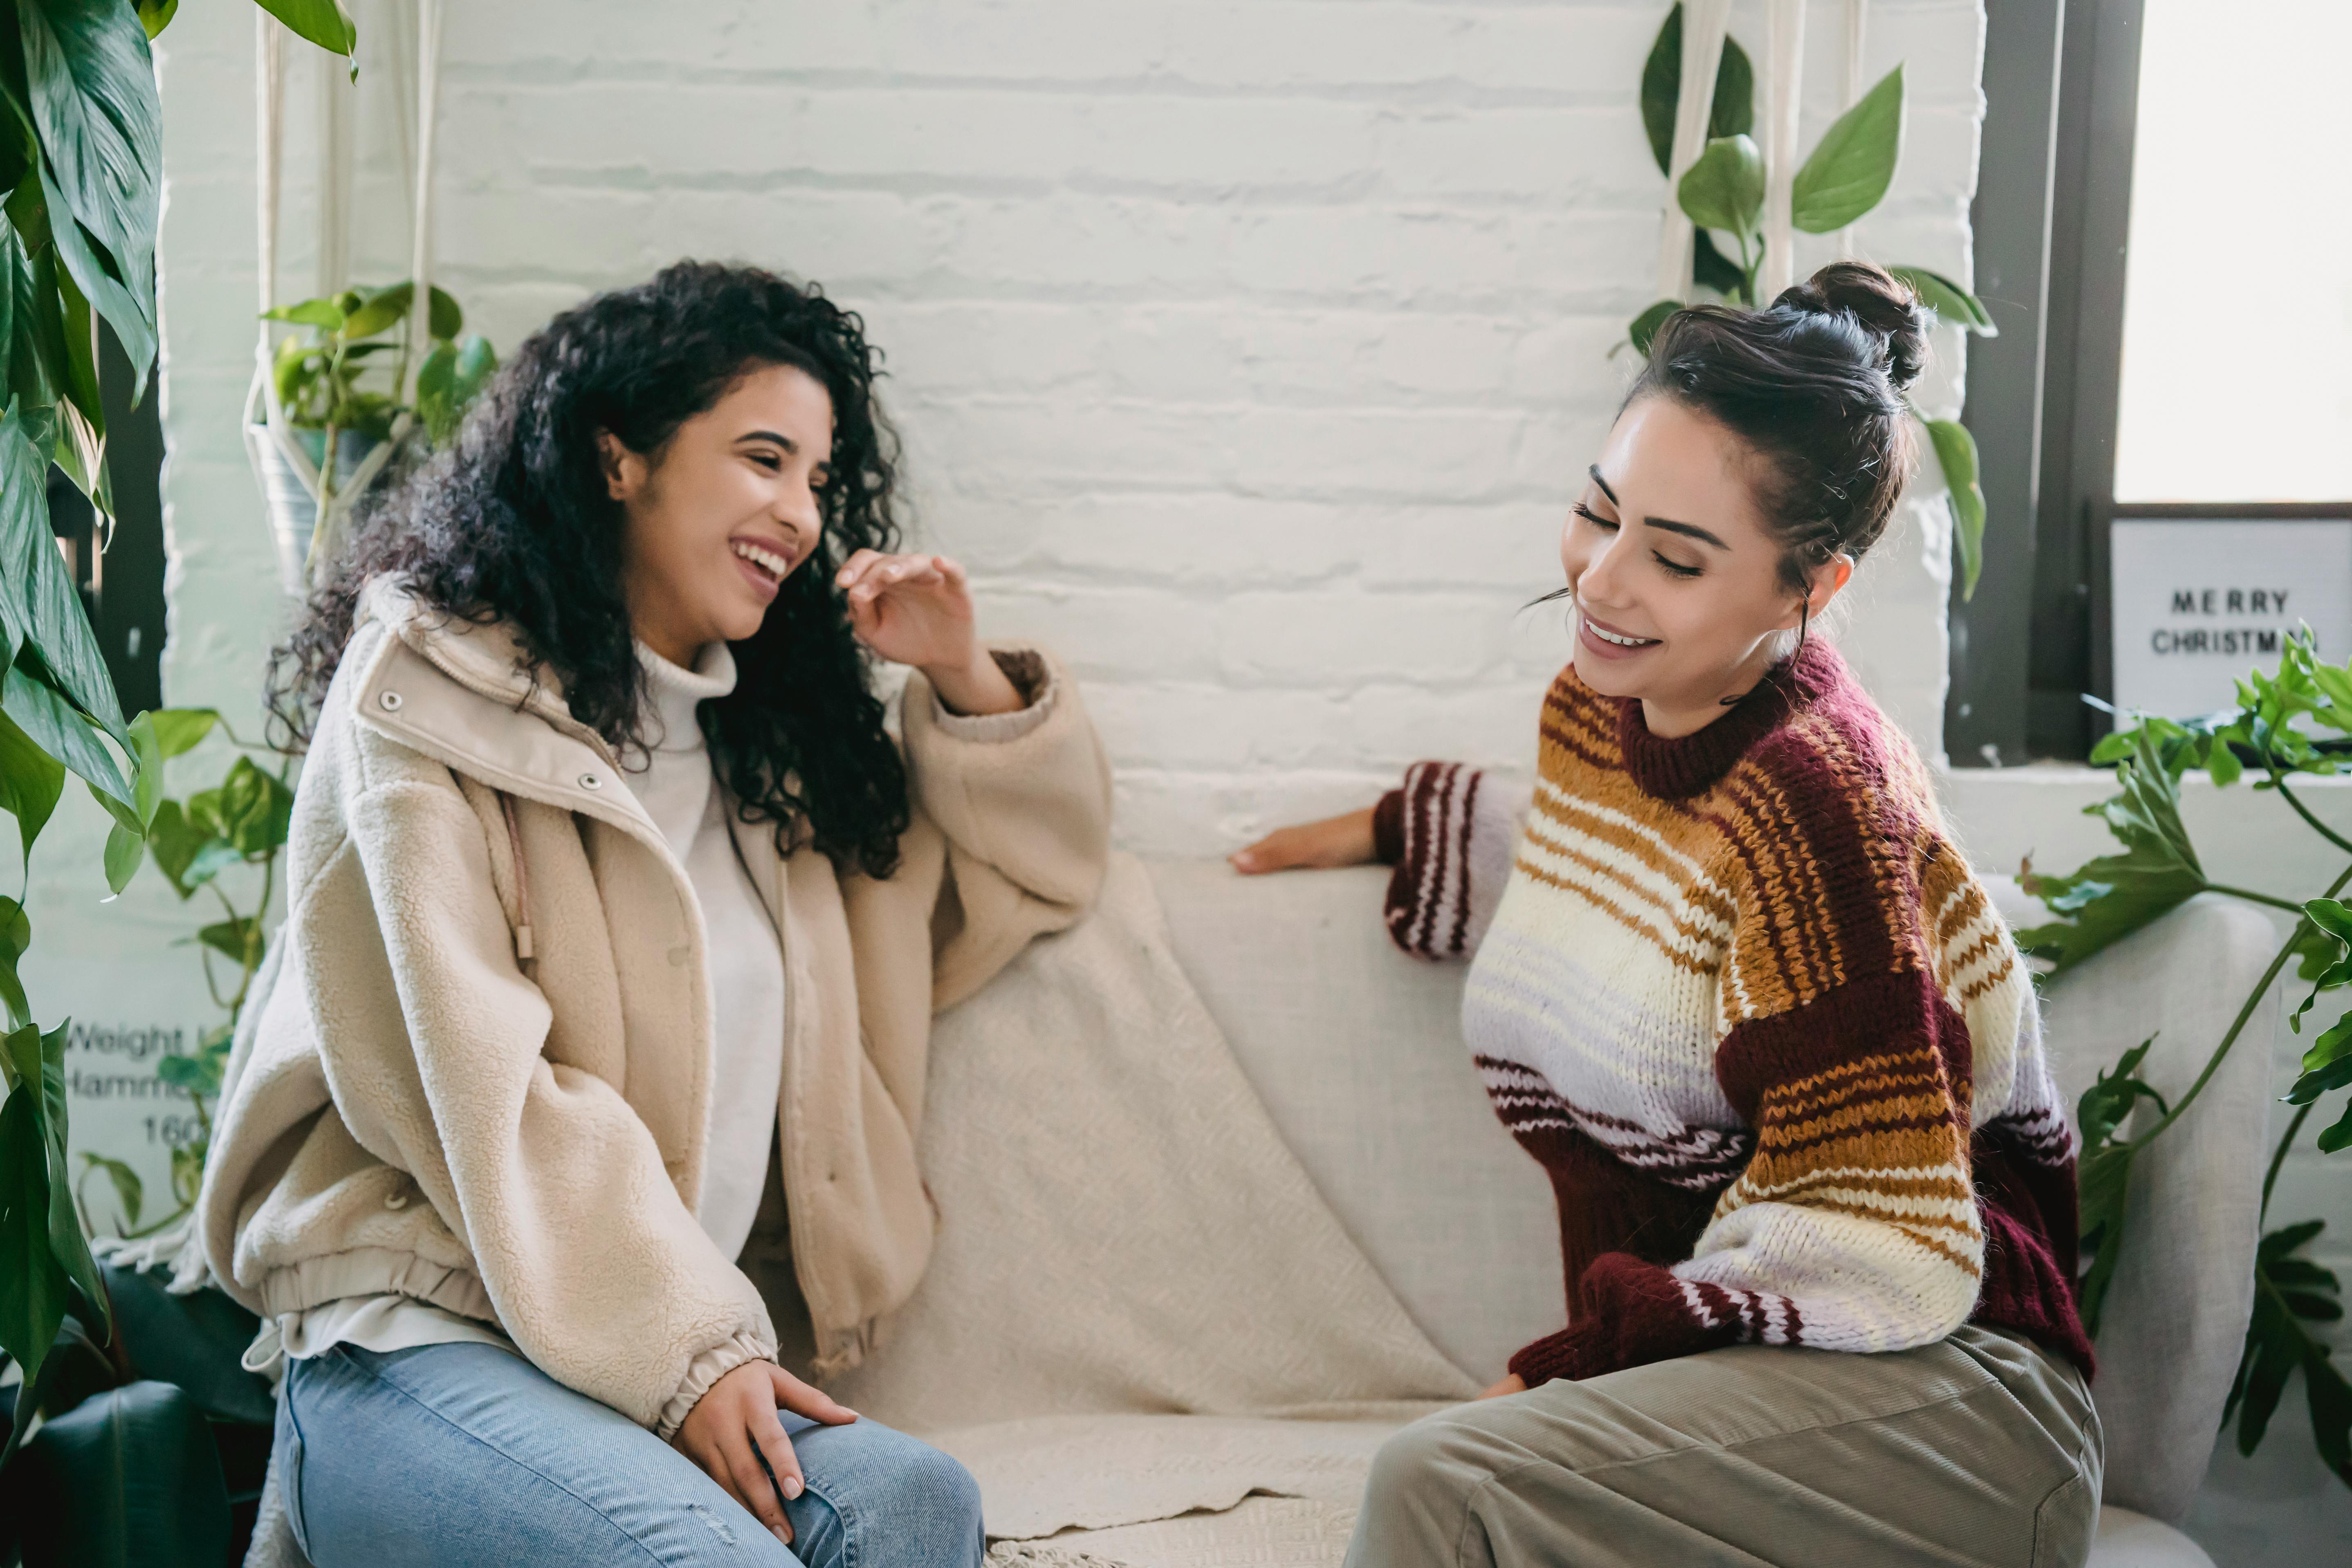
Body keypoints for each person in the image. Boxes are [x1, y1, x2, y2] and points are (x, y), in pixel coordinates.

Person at [198, 261, 1112, 1567]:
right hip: (419, 1334)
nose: (800, 512)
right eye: (762, 458)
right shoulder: (426, 698)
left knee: (920, 1502)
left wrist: (961, 672)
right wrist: (691, 1348)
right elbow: (481, 1089)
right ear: (619, 455)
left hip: (646, 1365)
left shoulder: (775, 775)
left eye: (816, 475)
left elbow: (1037, 875)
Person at [1233, 264, 2101, 1567]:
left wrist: (1580, 1362)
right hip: (1773, 1375)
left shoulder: (1822, 806)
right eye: (1599, 511)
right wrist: (1398, 829)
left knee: (1444, 1482)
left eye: (1677, 557)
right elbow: (1636, 880)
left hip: (1951, 1396)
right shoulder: (1611, 704)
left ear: (1810, 589)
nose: (1605, 579)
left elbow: (1869, 1227)